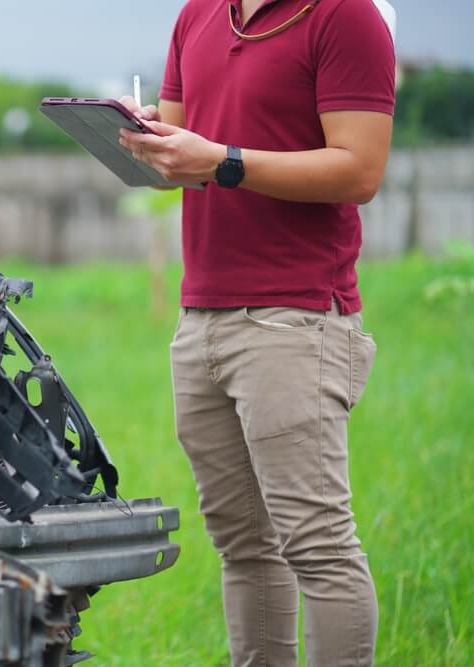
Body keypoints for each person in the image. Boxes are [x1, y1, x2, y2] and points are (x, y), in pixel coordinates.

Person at [117, 1, 396, 665]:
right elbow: (179, 155)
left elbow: (360, 170)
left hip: (294, 318)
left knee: (318, 546)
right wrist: (144, 137)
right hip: (201, 317)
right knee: (243, 545)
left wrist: (225, 160)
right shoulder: (199, 15)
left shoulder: (345, 15)